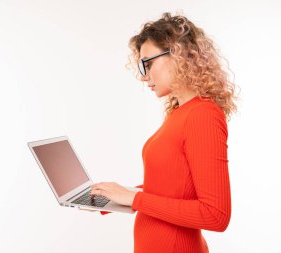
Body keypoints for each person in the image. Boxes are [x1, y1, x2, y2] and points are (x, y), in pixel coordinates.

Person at [82, 12, 239, 253]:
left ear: (178, 55)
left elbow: (215, 215)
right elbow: (174, 189)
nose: (144, 76)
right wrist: (114, 196)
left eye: (149, 62)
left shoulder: (203, 115)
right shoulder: (180, 113)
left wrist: (134, 199)